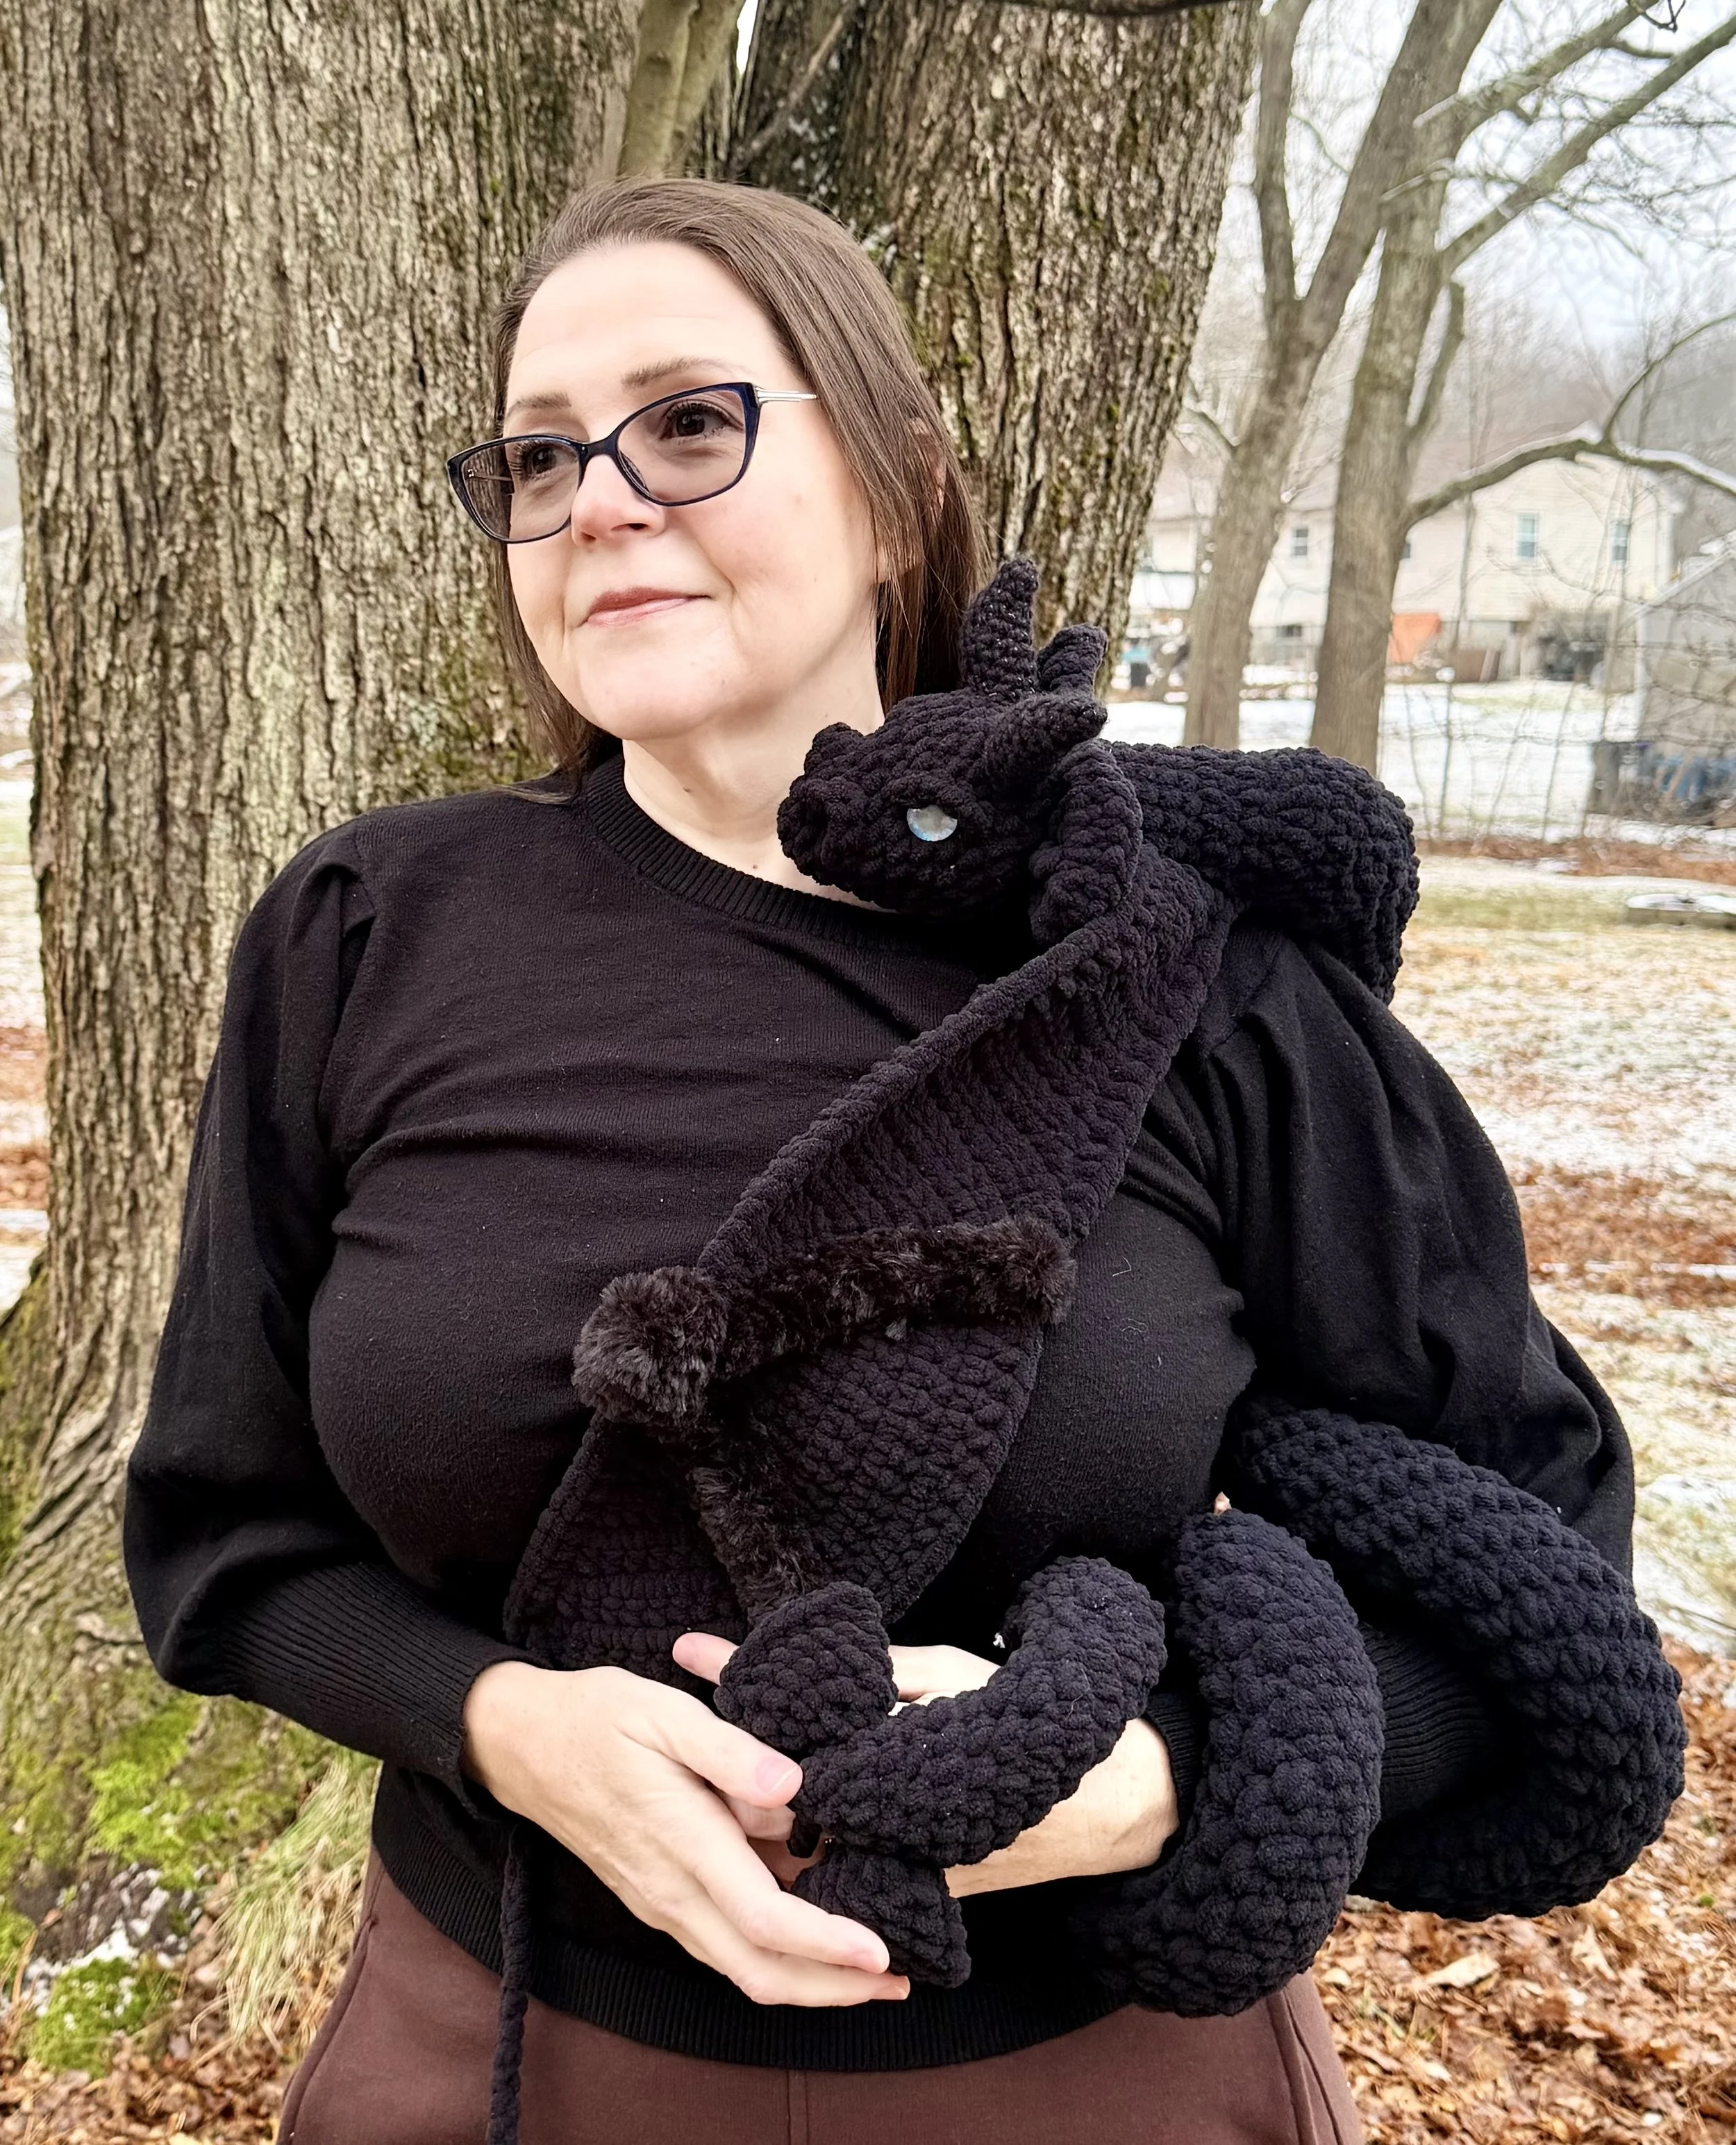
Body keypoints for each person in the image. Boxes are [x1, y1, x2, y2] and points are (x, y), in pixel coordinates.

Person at [122, 178, 1679, 2145]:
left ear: (891, 492)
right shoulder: (367, 933)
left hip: (1089, 2077)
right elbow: (223, 1541)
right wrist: (502, 1725)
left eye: (691, 421)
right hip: (494, 2046)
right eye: (536, 455)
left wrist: (1164, 1768)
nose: (597, 497)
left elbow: (1534, 1578)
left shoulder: (1189, 978)